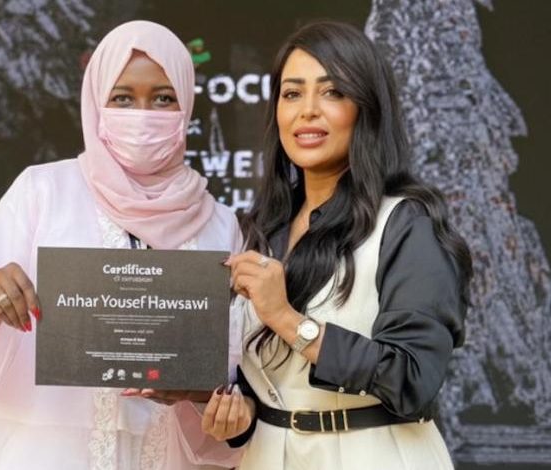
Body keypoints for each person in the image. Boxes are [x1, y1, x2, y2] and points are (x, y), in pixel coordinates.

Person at [0, 20, 244, 470]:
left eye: (163, 98)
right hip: (46, 451)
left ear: (186, 105)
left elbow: (233, 371)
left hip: (164, 453)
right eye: (123, 98)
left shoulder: (220, 225)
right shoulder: (44, 191)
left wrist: (199, 391)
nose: (142, 114)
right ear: (97, 102)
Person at [200, 21, 473, 469]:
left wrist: (288, 319)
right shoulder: (263, 227)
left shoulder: (407, 224)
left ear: (367, 108)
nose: (307, 111)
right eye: (292, 94)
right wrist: (240, 414)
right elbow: (270, 381)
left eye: (332, 92)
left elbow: (413, 378)